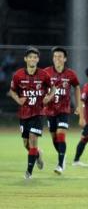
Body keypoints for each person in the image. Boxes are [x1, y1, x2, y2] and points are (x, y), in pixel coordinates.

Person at [8, 47, 55, 179]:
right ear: (25, 59)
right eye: (30, 57)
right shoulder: (18, 75)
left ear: (38, 59)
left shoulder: (44, 75)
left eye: (35, 57)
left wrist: (48, 97)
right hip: (24, 114)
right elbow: (12, 91)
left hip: (38, 113)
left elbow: (53, 89)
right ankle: (38, 154)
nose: (32, 59)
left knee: (33, 139)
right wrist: (18, 100)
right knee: (26, 144)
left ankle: (29, 172)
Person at [44, 47, 83, 174]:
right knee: (54, 138)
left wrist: (78, 105)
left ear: (65, 59)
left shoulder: (70, 74)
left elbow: (77, 86)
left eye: (60, 56)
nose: (57, 59)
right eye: (55, 56)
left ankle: (60, 164)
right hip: (49, 110)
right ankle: (63, 155)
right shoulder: (46, 72)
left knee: (61, 135)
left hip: (64, 110)